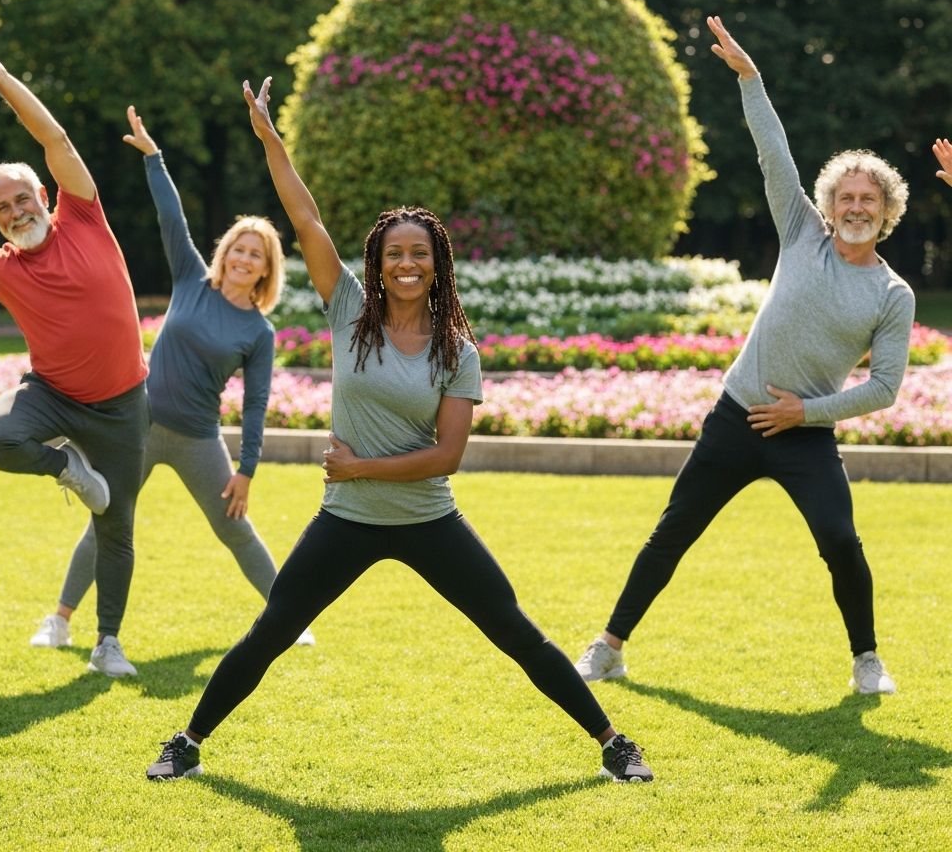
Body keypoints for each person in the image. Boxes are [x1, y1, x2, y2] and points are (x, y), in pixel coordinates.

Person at [145, 74, 653, 783]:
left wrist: (360, 469)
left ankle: (612, 743)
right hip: (346, 520)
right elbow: (306, 220)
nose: (407, 264)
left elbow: (445, 457)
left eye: (419, 254)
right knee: (273, 630)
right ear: (377, 265)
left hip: (425, 518)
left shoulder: (458, 352)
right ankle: (188, 743)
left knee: (512, 628)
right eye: (394, 255)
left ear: (436, 265)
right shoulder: (348, 310)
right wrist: (269, 141)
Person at [575, 16, 914, 697]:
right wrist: (751, 80)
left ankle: (867, 662)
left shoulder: (892, 293)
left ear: (886, 212)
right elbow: (773, 155)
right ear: (828, 204)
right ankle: (608, 648)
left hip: (804, 435)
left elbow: (884, 389)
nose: (854, 206)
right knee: (673, 533)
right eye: (845, 197)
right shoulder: (801, 232)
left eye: (867, 200)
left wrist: (805, 413)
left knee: (840, 542)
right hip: (736, 417)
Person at [29, 106, 313, 653]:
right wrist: (155, 159)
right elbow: (170, 220)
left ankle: (289, 620)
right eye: (239, 248)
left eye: (256, 254)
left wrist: (248, 470)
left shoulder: (259, 331)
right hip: (136, 425)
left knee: (234, 528)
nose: (244, 258)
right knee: (105, 522)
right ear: (225, 252)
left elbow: (256, 406)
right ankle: (59, 621)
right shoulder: (190, 279)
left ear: (265, 269)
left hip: (198, 439)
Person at [0, 50, 150, 677]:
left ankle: (107, 643)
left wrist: (2, 81)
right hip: (52, 395)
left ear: (43, 197)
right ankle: (67, 467)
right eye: (3, 208)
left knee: (116, 522)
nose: (16, 210)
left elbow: (53, 138)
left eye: (23, 197)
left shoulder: (83, 214)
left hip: (121, 406)